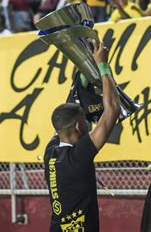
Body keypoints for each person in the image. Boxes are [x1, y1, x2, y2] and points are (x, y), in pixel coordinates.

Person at [44, 41, 121, 232]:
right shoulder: (78, 157)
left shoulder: (50, 152)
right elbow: (112, 110)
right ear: (79, 126)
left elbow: (67, 110)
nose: (89, 122)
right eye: (86, 120)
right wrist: (103, 66)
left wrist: (83, 74)